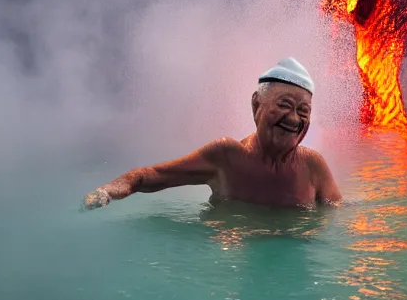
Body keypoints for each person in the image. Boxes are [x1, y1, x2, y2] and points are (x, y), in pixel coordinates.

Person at [83, 57, 341, 209]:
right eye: (284, 105)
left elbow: (337, 214)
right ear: (256, 105)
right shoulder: (226, 156)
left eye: (303, 110)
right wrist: (107, 191)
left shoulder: (312, 164)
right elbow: (151, 177)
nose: (294, 119)